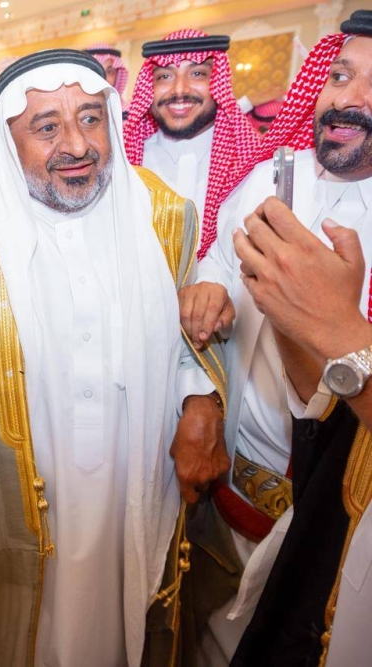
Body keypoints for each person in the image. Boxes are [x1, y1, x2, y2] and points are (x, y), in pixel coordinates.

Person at [0, 49, 225, 666]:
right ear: (8, 140)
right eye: (46, 126)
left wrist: (200, 398)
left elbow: (191, 335)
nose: (77, 145)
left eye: (91, 119)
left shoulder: (162, 214)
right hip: (9, 492)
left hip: (136, 481)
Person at [182, 10, 372, 666]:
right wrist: (209, 287)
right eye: (340, 77)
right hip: (231, 483)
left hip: (330, 512)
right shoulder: (268, 179)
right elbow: (216, 262)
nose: (349, 100)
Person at [124, 29, 260, 258]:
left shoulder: (251, 164)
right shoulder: (126, 162)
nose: (179, 90)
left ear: (218, 82)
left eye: (197, 73)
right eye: (164, 76)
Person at [86, 43, 130, 110]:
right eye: (96, 71)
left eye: (109, 72)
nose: (103, 79)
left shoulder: (128, 113)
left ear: (117, 76)